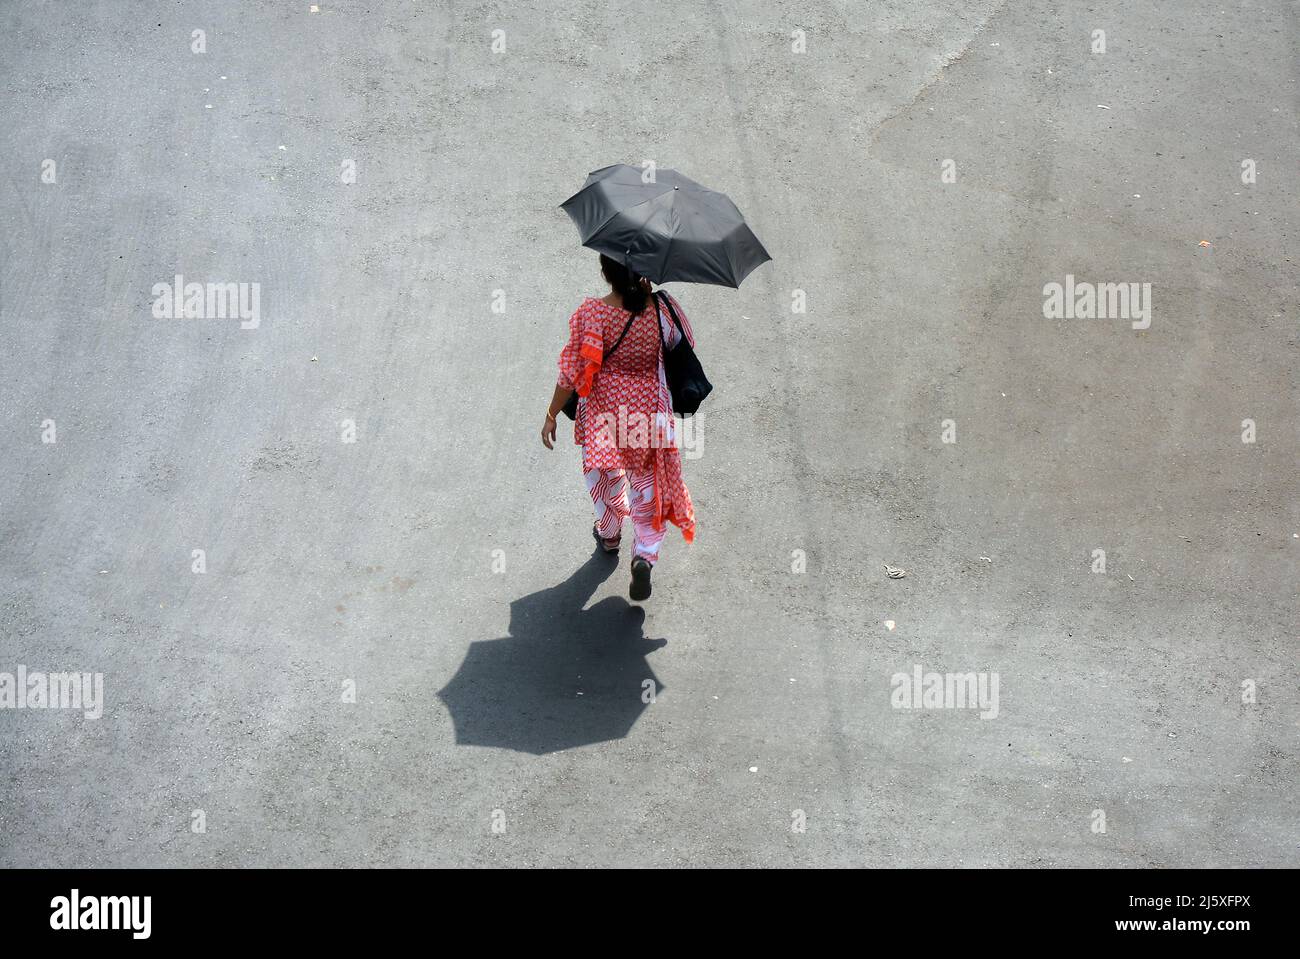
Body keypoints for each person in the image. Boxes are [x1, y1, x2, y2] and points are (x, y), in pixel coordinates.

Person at [541, 255, 696, 601]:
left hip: (602, 411)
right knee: (646, 486)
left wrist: (552, 413)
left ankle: (609, 532)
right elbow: (683, 346)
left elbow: (571, 372)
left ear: (605, 273)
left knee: (605, 474)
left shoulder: (592, 314)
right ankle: (643, 554)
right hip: (647, 411)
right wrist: (650, 298)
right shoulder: (660, 309)